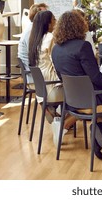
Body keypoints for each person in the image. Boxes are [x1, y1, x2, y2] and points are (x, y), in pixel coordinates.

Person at [51, 10, 102, 160]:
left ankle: (99, 129)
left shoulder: (55, 49)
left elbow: (61, 76)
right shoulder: (82, 46)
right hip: (92, 99)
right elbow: (96, 77)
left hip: (71, 101)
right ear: (79, 26)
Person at [28, 10, 76, 145]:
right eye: (54, 20)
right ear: (47, 24)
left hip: (40, 87)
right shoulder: (51, 38)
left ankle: (55, 117)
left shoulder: (33, 40)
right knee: (83, 96)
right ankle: (63, 123)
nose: (56, 22)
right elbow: (57, 63)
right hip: (53, 86)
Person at [17, 2, 48, 82]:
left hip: (34, 72)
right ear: (38, 16)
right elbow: (36, 53)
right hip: (34, 76)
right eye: (45, 14)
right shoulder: (31, 32)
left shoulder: (33, 29)